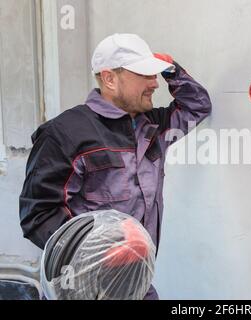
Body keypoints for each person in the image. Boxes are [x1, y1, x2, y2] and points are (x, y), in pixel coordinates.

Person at [19, 33, 212, 300]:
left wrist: (172, 69)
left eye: (154, 75)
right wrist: (100, 252)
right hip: (83, 286)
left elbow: (197, 106)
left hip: (136, 279)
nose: (154, 84)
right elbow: (38, 215)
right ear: (109, 78)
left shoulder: (153, 126)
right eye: (145, 75)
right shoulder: (64, 133)